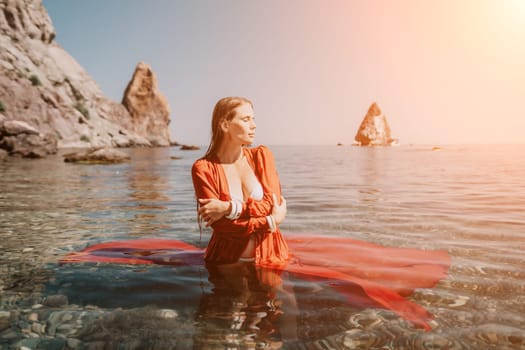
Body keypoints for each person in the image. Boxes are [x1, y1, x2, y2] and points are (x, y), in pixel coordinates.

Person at [191, 96, 289, 265]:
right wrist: (271, 221)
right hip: (225, 262)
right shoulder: (203, 168)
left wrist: (228, 207)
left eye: (253, 119)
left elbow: (270, 204)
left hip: (271, 256)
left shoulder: (262, 156)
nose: (254, 125)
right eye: (246, 119)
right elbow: (222, 227)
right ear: (225, 125)